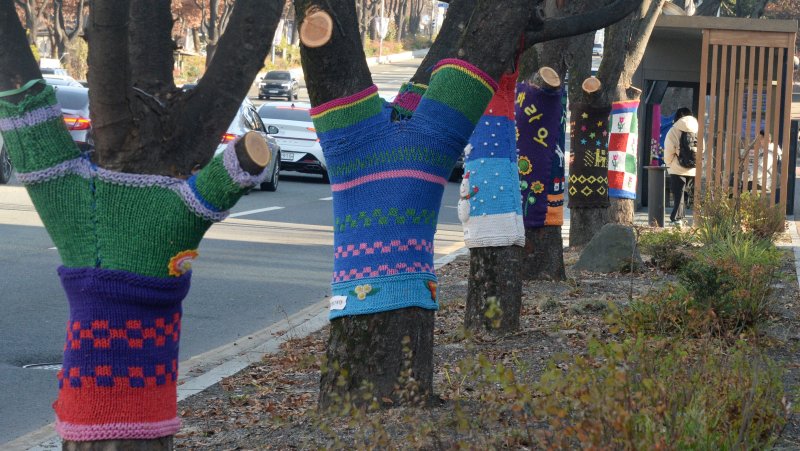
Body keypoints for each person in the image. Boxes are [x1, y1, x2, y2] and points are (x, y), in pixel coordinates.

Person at [663, 107, 698, 226]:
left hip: (677, 168)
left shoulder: (674, 130)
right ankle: (683, 218)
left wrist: (668, 163)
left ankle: (677, 219)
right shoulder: (697, 129)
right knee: (685, 193)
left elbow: (669, 149)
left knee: (678, 194)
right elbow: (702, 147)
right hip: (692, 168)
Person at [746, 130, 782, 194]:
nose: (759, 141)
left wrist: (748, 177)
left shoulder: (770, 153)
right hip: (761, 181)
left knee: (739, 185)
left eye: (761, 139)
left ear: (768, 140)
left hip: (764, 183)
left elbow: (762, 169)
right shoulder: (764, 151)